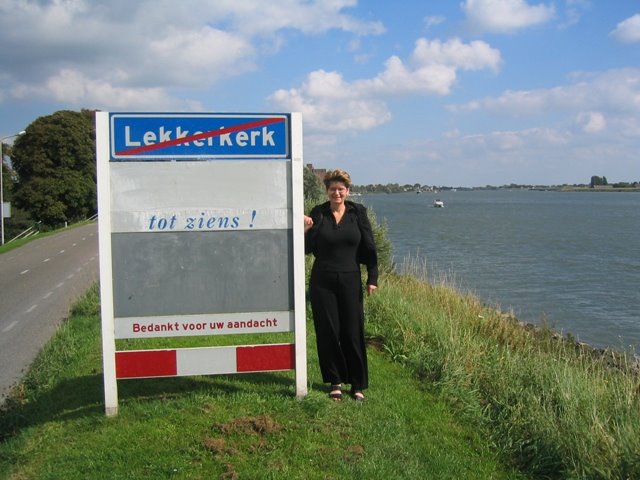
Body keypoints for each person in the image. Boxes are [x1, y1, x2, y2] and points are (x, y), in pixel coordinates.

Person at [303, 169, 378, 402]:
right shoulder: (319, 213)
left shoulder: (357, 213)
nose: (337, 192)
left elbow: (369, 245)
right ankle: (335, 382)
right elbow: (305, 249)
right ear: (327, 191)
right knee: (328, 332)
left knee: (352, 332)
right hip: (322, 281)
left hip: (350, 278)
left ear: (347, 191)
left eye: (341, 189)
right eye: (332, 189)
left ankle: (357, 384)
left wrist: (372, 277)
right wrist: (305, 229)